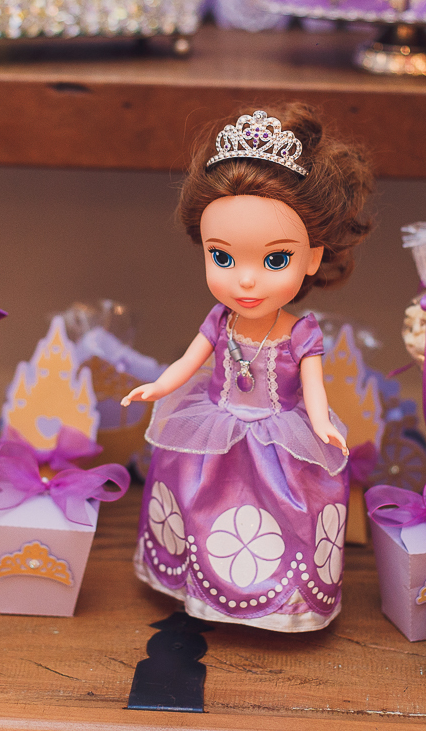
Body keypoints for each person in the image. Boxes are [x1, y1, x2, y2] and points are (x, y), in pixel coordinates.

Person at [122, 105, 374, 631]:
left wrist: (322, 423)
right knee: (197, 499)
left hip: (279, 436)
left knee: (287, 510)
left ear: (312, 257)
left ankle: (282, 604)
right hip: (214, 426)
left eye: (275, 259)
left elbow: (313, 389)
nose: (246, 281)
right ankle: (198, 586)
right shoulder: (221, 320)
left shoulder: (301, 333)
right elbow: (189, 361)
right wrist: (159, 386)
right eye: (222, 257)